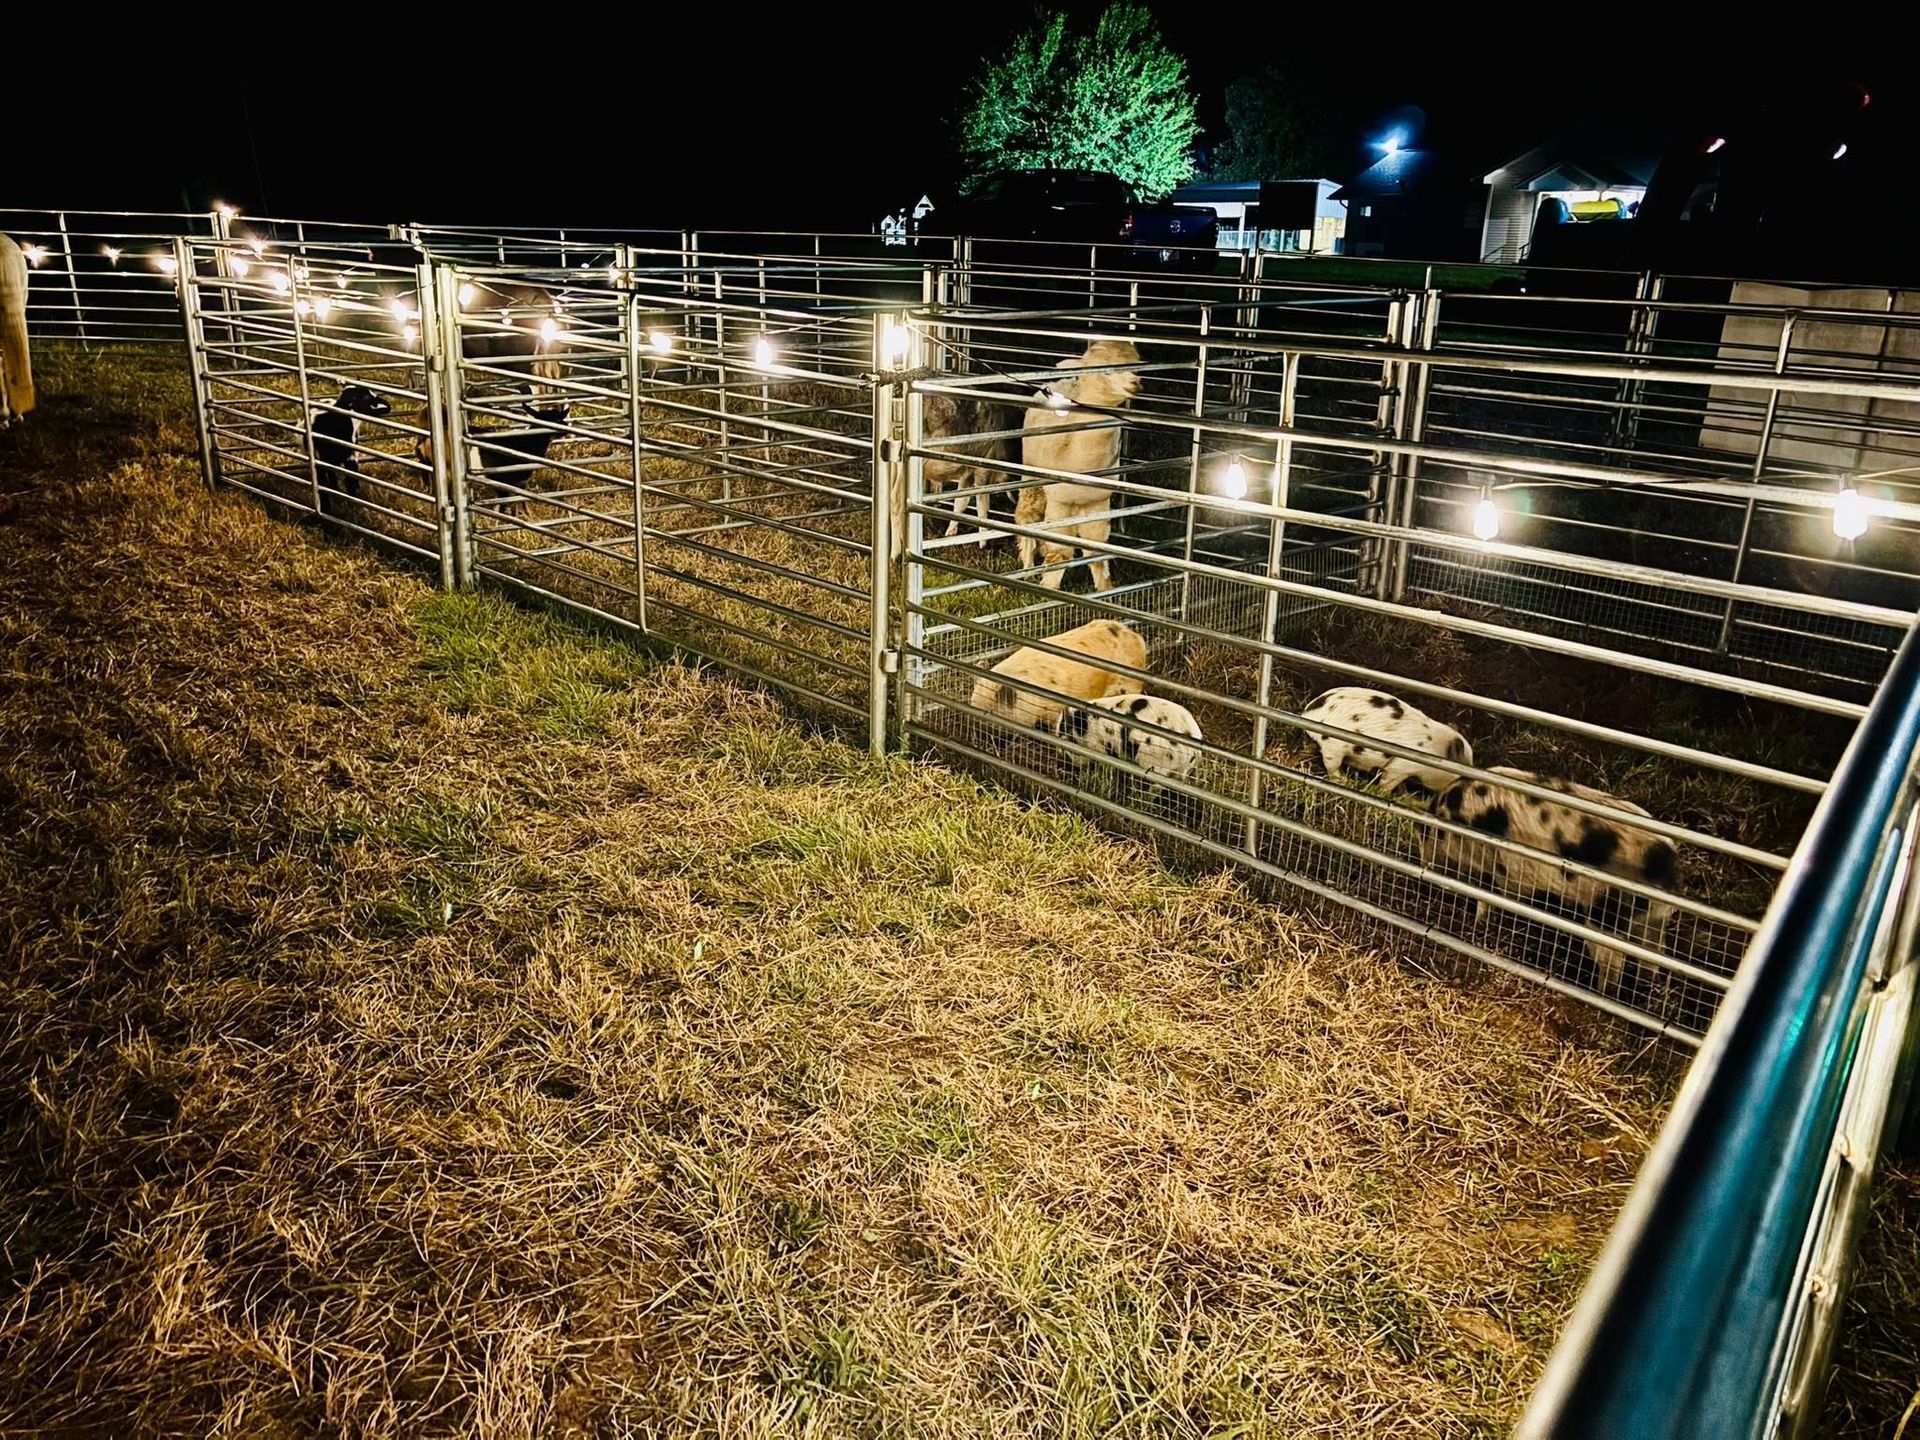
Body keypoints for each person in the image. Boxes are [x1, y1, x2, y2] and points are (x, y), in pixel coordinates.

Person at [0, 232, 33, 427]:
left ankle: (2, 409)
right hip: (12, 258)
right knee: (14, 337)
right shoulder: (9, 246)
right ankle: (17, 405)